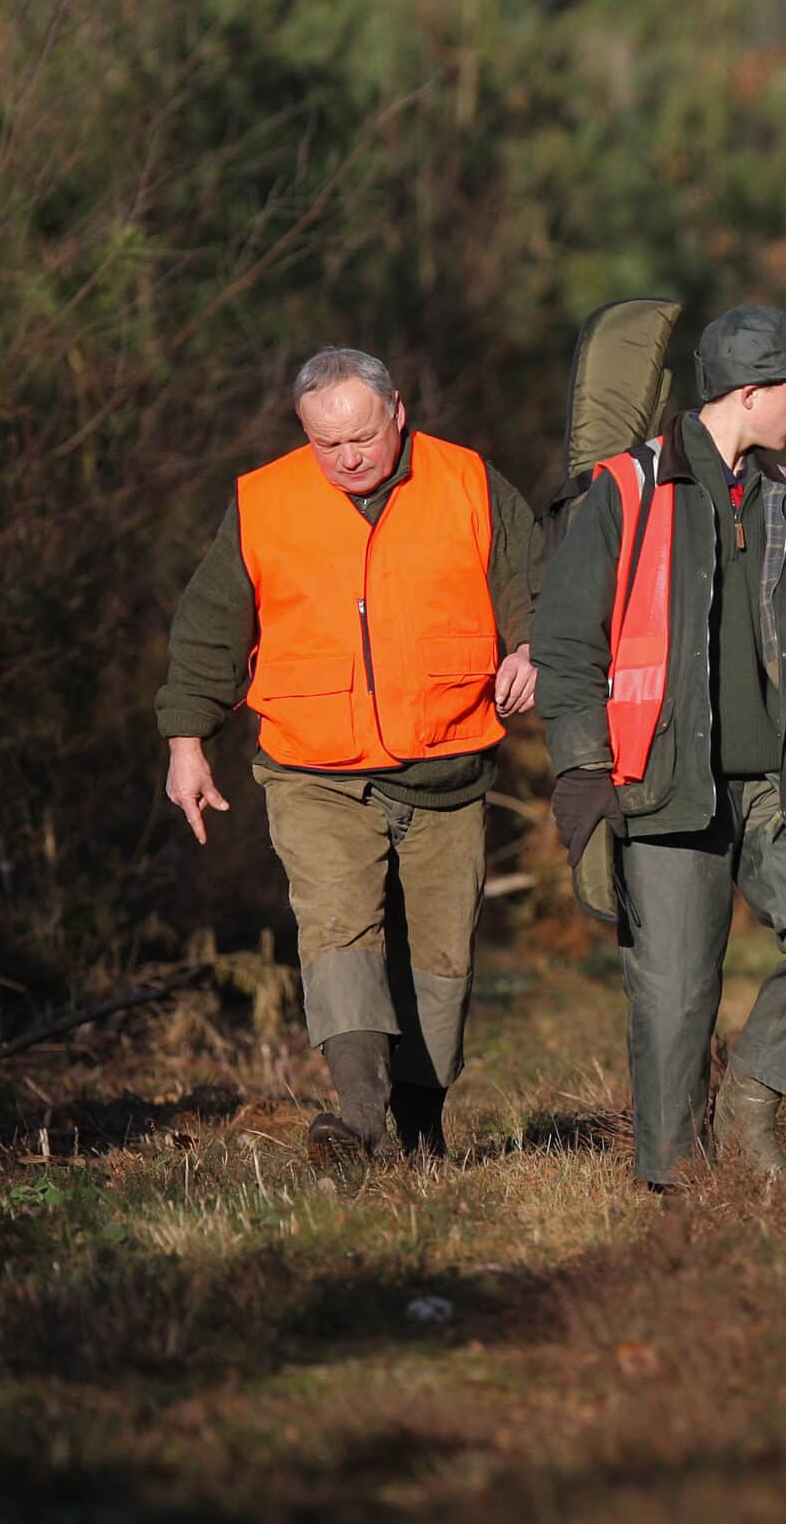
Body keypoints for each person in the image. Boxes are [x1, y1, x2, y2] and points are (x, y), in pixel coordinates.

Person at [533, 305, 786, 1192]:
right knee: (674, 992)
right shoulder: (627, 488)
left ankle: (749, 1108)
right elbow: (567, 646)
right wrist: (583, 766)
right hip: (664, 782)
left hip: (779, 779)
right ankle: (677, 1181)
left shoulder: (785, 495)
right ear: (750, 392)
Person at [157, 348, 540, 1171]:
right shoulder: (263, 501)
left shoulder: (469, 481)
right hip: (313, 767)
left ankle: (421, 1127)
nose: (348, 457)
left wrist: (530, 646)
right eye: (326, 444)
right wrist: (187, 742)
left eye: (363, 437)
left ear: (397, 410)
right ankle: (359, 1119)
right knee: (339, 929)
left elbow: (530, 580)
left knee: (441, 959)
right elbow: (210, 630)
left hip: (447, 762)